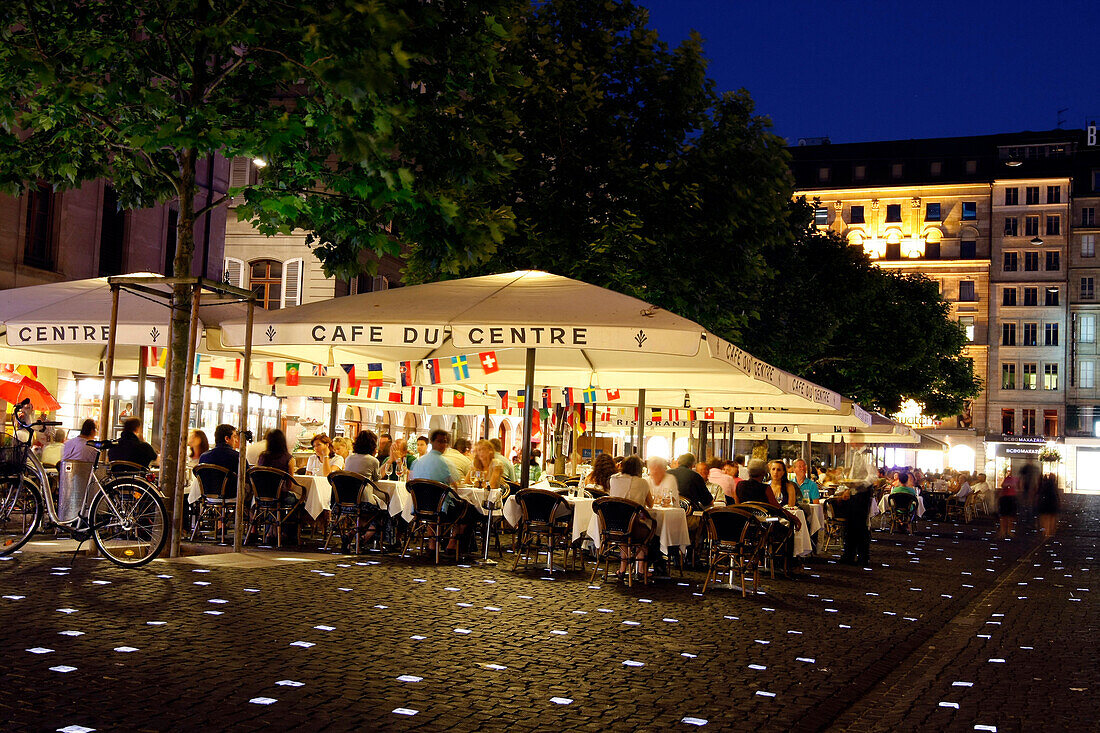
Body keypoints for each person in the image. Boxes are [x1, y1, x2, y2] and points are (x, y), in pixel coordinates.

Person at [608, 455, 654, 580]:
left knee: (624, 533)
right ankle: (640, 569)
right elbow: (651, 504)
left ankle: (622, 569)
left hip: (612, 526)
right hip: (635, 528)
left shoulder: (613, 479)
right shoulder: (643, 482)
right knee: (646, 532)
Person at [1036, 472, 1060, 538]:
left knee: (1045, 518)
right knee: (1051, 518)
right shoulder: (1054, 486)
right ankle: (1050, 531)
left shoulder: (1044, 485)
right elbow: (1056, 495)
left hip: (1045, 503)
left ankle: (1045, 531)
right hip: (1052, 503)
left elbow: (1040, 494)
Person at [997, 469, 1018, 539]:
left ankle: (1004, 531)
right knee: (1009, 516)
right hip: (1009, 497)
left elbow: (1003, 485)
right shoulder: (1012, 479)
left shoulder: (1010, 479)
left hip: (1007, 497)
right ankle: (1008, 531)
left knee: (1005, 516)